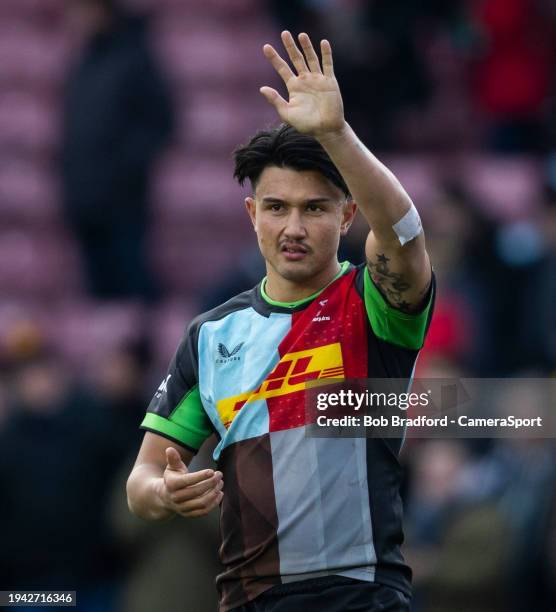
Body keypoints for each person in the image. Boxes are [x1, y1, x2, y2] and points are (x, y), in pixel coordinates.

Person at [126, 31, 434, 612]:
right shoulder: (211, 336)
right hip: (248, 599)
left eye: (314, 208)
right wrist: (164, 492)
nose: (293, 226)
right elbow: (138, 485)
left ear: (346, 215)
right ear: (252, 214)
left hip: (361, 595)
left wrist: (337, 135)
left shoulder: (371, 304)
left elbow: (405, 235)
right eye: (276, 207)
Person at [61, 0, 174, 300]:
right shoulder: (85, 59)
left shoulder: (135, 57)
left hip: (122, 199)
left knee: (130, 280)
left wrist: (123, 170)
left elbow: (162, 123)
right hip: (84, 195)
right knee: (99, 287)